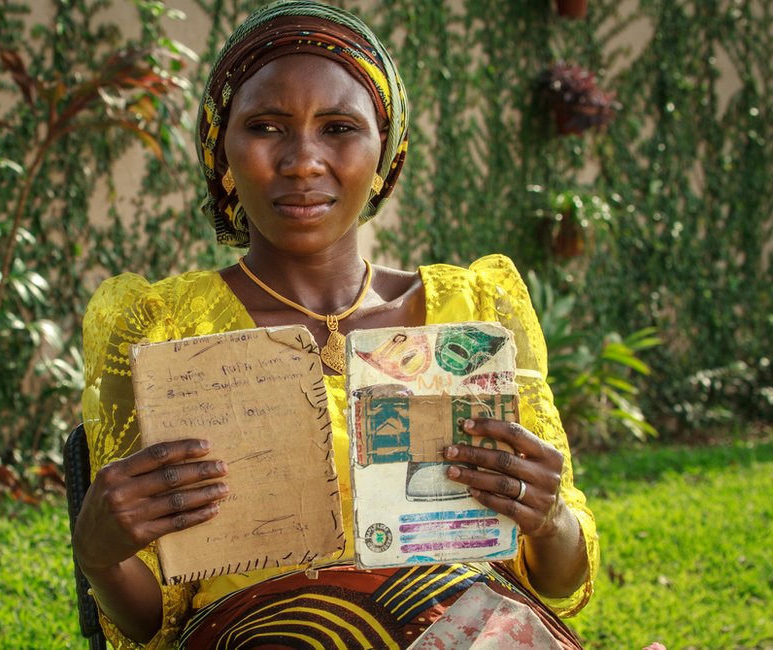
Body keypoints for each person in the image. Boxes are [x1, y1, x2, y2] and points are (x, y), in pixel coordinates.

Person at [74, 1, 598, 648]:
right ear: (222, 149)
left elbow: (555, 580)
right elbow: (156, 620)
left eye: (340, 128)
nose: (302, 160)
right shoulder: (162, 331)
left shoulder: (473, 312)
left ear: (386, 151)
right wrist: (101, 553)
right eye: (266, 126)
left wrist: (548, 518)